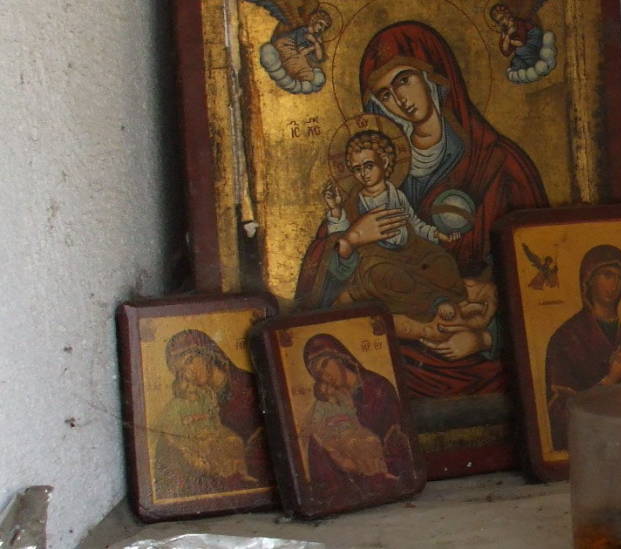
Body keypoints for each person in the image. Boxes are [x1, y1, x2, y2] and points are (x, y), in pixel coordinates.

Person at [294, 22, 549, 419]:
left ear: (436, 76)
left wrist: (487, 335)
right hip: (404, 344)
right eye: (384, 93)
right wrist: (350, 242)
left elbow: (544, 273)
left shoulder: (500, 164)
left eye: (405, 79)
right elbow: (319, 287)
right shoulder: (377, 166)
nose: (400, 99)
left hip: (479, 341)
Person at [317, 129, 466, 324]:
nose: (363, 173)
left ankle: (442, 296)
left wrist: (438, 235)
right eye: (357, 168)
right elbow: (341, 237)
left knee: (442, 262)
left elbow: (414, 223)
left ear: (384, 162)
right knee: (390, 279)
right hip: (375, 259)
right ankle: (434, 303)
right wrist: (336, 209)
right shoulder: (355, 201)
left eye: (368, 165)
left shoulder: (396, 195)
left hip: (411, 252)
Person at [544, 245, 621, 450]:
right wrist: (611, 379)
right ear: (588, 279)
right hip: (592, 446)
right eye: (607, 275)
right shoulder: (567, 338)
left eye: (620, 278)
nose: (614, 284)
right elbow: (559, 412)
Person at [153, 330, 268, 498]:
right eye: (180, 370)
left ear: (209, 354)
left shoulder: (249, 388)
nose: (188, 372)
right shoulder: (191, 400)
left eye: (190, 361)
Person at [300, 334, 412, 496]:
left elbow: (397, 438)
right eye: (318, 375)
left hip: (384, 469)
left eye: (324, 364)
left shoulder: (378, 388)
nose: (325, 375)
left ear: (340, 357)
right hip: (349, 477)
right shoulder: (330, 402)